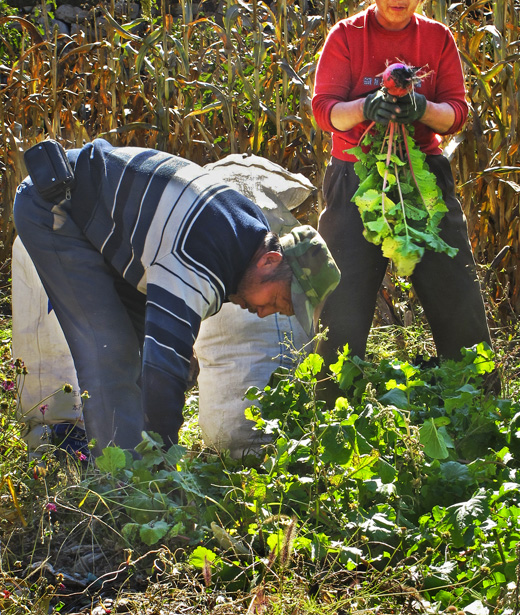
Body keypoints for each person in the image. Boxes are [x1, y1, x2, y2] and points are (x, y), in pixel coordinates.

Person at [13, 138, 340, 454]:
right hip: (58, 205)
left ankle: (130, 461)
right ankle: (123, 489)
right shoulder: (203, 254)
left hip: (112, 233)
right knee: (109, 351)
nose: (267, 312)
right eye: (280, 301)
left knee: (140, 352)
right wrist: (165, 461)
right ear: (270, 261)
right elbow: (163, 370)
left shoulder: (248, 230)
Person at [311, 0, 490, 370]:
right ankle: (334, 405)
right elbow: (325, 111)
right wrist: (367, 107)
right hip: (357, 177)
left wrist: (420, 108)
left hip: (422, 176)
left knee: (455, 291)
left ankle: (473, 397)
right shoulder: (347, 36)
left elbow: (457, 113)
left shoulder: (437, 39)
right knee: (343, 300)